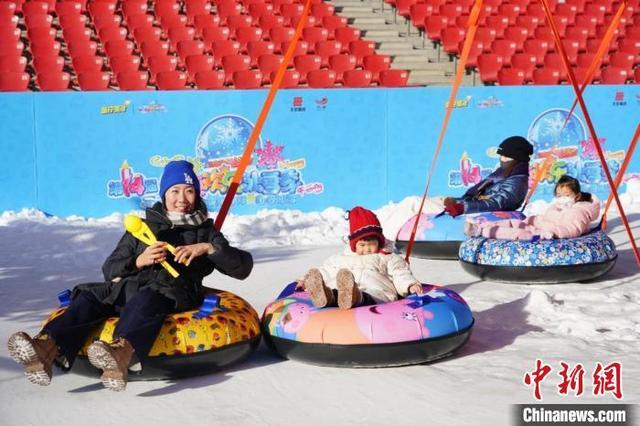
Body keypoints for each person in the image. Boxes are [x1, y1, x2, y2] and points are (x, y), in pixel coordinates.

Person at [7, 160, 253, 391]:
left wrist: (208, 249)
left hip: (173, 291)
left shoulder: (206, 232)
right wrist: (139, 260)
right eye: (175, 191)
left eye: (189, 191)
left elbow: (242, 268)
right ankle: (46, 348)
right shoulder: (144, 227)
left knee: (146, 301)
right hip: (132, 285)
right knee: (92, 296)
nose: (182, 199)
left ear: (197, 194)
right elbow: (110, 269)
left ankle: (121, 355)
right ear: (164, 194)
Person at [298, 206, 424, 310]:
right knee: (335, 287)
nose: (367, 249)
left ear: (379, 242)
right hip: (343, 288)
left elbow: (400, 273)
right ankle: (327, 295)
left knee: (375, 294)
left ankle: (355, 296)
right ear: (354, 244)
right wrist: (306, 281)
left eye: (371, 244)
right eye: (362, 245)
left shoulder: (389, 258)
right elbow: (325, 271)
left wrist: (409, 285)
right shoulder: (340, 258)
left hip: (377, 290)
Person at [464, 175, 599, 240]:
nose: (562, 198)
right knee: (515, 223)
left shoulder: (578, 212)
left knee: (518, 233)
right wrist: (535, 220)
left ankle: (481, 231)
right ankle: (484, 225)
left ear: (576, 196)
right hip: (541, 227)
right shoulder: (559, 207)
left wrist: (548, 232)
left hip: (546, 234)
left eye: (566, 195)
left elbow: (572, 230)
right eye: (558, 195)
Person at [443, 136, 534, 217]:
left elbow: (499, 203)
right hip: (481, 212)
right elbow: (476, 195)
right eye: (501, 156)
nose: (502, 159)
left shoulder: (517, 180)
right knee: (436, 203)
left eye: (506, 157)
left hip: (494, 217)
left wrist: (463, 207)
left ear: (518, 159)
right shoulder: (501, 173)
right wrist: (456, 202)